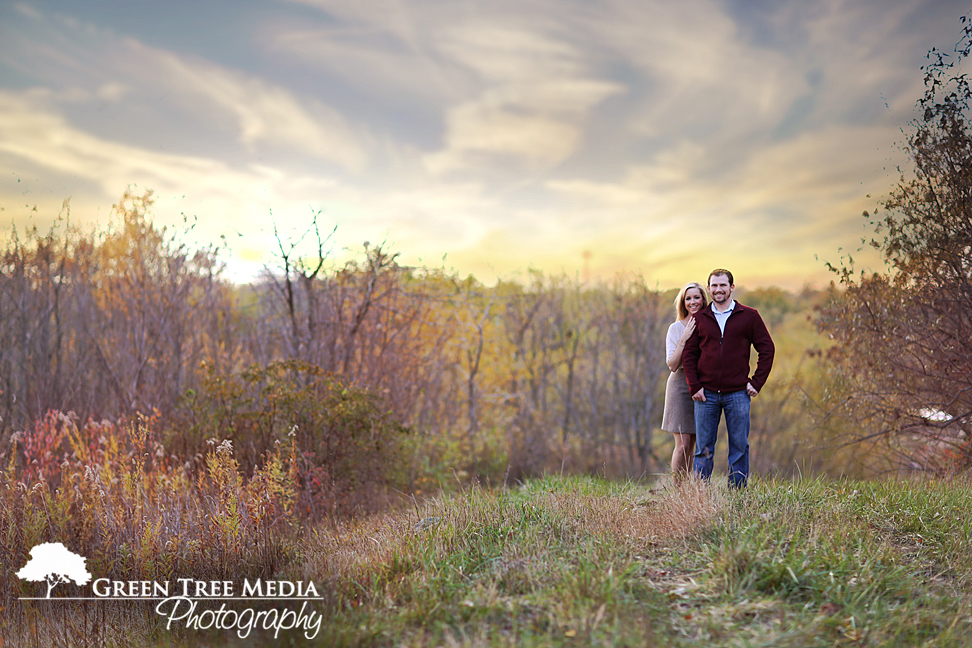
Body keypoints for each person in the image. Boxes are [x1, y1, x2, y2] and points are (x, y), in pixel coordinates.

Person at [682, 269, 774, 488]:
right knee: (703, 449)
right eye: (714, 286)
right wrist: (694, 386)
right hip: (706, 395)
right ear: (709, 288)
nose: (718, 290)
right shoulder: (700, 318)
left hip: (738, 394)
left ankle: (737, 497)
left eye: (723, 285)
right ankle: (700, 497)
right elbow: (689, 354)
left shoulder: (749, 316)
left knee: (739, 447)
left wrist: (756, 382)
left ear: (732, 287)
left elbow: (767, 349)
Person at [661, 282, 708, 480]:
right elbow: (672, 364)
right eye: (688, 298)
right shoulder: (675, 328)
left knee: (695, 445)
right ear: (683, 303)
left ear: (703, 300)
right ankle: (678, 491)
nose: (692, 302)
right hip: (680, 385)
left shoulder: (710, 325)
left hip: (702, 385)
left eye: (696, 297)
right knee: (682, 445)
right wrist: (684, 339)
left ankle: (689, 488)